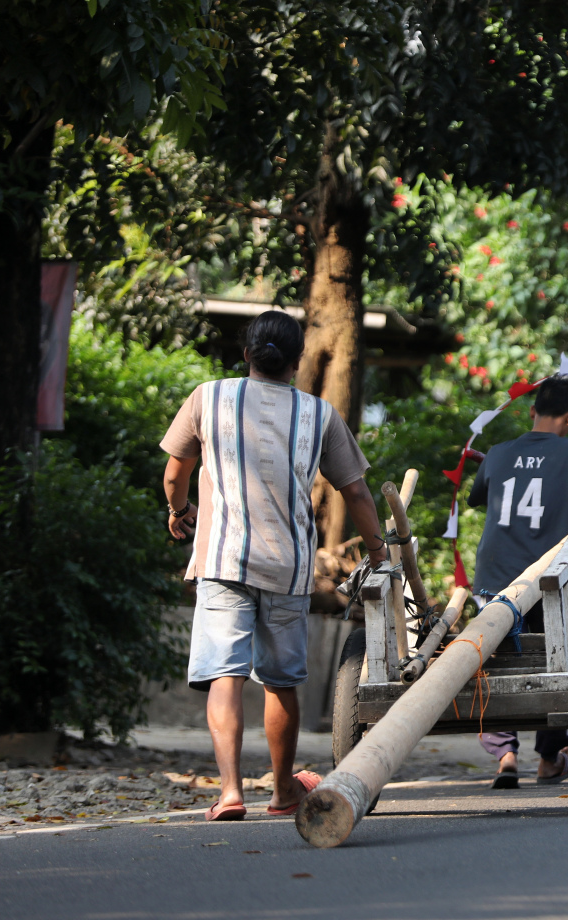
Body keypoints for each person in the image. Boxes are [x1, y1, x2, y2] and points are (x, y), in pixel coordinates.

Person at [160, 311, 389, 821]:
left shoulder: (208, 397)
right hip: (287, 567)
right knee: (280, 682)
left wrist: (179, 513)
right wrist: (378, 553)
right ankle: (283, 790)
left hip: (221, 559)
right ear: (297, 362)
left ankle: (230, 791)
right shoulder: (318, 414)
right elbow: (354, 489)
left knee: (226, 675)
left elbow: (176, 472)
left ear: (247, 355)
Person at [467, 376, 568, 788]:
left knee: (495, 662)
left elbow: (479, 495)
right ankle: (551, 756)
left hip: (493, 582)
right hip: (545, 581)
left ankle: (504, 755)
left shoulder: (499, 453)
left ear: (531, 410)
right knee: (558, 659)